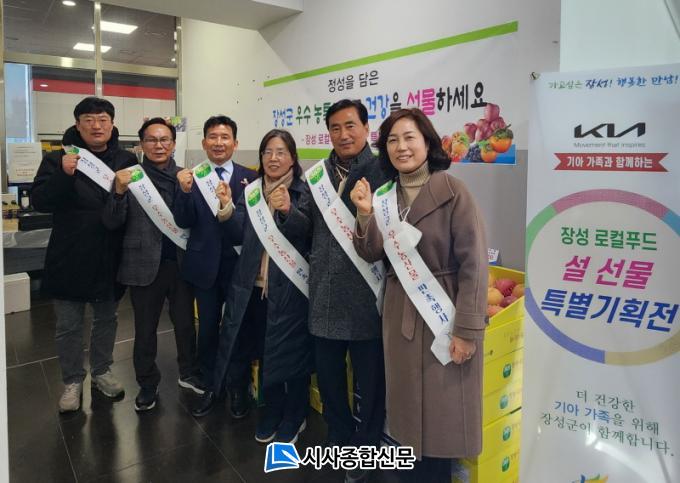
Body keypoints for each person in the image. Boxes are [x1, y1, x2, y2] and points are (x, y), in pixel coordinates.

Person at [350, 108, 488, 482]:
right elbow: (370, 252)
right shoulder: (384, 196)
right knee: (407, 413)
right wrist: (364, 215)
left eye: (409, 137)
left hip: (444, 315)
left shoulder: (454, 191)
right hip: (400, 316)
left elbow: (474, 265)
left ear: (427, 142)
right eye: (392, 140)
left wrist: (467, 331)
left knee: (441, 418)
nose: (401, 147)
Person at [279, 99, 387, 475]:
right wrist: (286, 212)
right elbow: (306, 227)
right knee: (329, 379)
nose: (343, 134)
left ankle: (367, 445)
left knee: (371, 382)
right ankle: (339, 435)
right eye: (335, 128)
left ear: (366, 128)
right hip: (324, 295)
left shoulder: (383, 171)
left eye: (350, 125)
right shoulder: (318, 175)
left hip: (366, 295)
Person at [205, 129, 313, 443]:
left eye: (281, 152)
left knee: (293, 353)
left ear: (292, 157)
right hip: (254, 287)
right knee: (266, 352)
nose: (273, 158)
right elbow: (238, 232)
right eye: (268, 152)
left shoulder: (303, 191)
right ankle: (273, 408)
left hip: (290, 288)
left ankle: (295, 414)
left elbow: (309, 233)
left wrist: (288, 211)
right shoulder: (252, 190)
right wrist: (226, 207)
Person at [32, 96, 137, 413]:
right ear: (77, 125)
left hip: (108, 255)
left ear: (112, 124)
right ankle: (72, 381)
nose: (96, 125)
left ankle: (102, 371)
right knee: (68, 324)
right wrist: (64, 175)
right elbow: (40, 201)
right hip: (69, 254)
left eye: (103, 119)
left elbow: (134, 206)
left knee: (107, 319)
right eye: (88, 119)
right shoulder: (59, 158)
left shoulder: (126, 159)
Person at [102, 117, 202, 412]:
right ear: (141, 144)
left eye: (164, 140)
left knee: (186, 324)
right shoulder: (129, 177)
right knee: (145, 330)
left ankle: (188, 372)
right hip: (143, 263)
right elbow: (111, 222)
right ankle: (147, 383)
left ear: (173, 144)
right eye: (152, 140)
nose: (158, 145)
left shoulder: (186, 177)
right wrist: (119, 192)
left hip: (181, 264)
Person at [172, 115, 257, 417]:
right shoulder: (191, 177)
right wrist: (184, 192)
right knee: (207, 328)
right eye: (213, 137)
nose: (219, 143)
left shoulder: (251, 177)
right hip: (203, 266)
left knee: (239, 328)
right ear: (204, 143)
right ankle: (210, 385)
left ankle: (238, 386)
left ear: (235, 143)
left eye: (225, 137)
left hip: (239, 267)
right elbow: (182, 220)